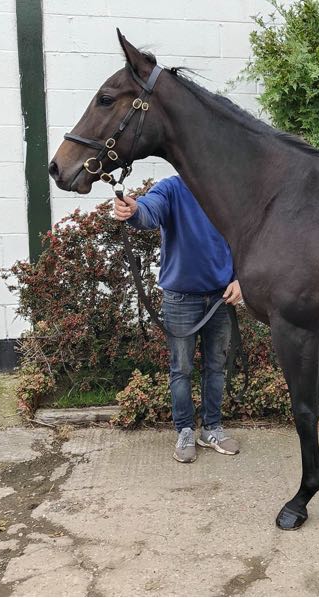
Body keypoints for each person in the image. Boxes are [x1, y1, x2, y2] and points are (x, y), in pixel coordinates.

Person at [114, 176, 241, 463]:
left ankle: (211, 429)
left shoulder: (227, 189)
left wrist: (240, 278)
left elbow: (243, 238)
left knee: (216, 368)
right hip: (181, 299)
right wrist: (134, 210)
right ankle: (184, 430)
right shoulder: (172, 188)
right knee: (181, 369)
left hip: (220, 298)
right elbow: (149, 210)